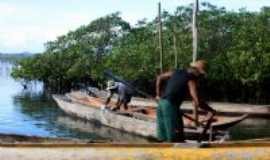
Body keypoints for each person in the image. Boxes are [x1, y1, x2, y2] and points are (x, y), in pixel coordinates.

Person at [155, 60, 215, 142]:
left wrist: (158, 95)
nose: (201, 77)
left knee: (164, 138)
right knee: (176, 139)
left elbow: (160, 77)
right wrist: (210, 110)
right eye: (201, 74)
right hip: (170, 107)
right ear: (197, 71)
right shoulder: (191, 79)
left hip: (161, 105)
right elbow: (197, 101)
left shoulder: (176, 72)